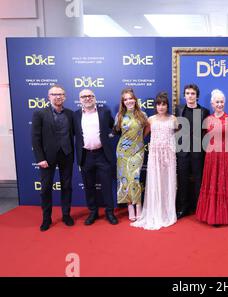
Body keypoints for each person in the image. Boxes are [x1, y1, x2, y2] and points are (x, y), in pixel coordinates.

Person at [196, 89, 228, 226]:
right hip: (211, 157)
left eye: (222, 101)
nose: (220, 104)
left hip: (226, 156)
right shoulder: (208, 120)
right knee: (212, 184)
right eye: (217, 102)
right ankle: (212, 216)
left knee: (225, 185)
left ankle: (224, 216)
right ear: (212, 103)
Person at [31, 84, 74, 231]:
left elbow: (75, 134)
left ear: (65, 97)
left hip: (67, 155)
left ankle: (66, 215)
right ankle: (46, 218)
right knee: (45, 189)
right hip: (47, 158)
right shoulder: (40, 113)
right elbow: (35, 138)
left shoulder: (70, 113)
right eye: (54, 94)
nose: (58, 97)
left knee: (67, 187)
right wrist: (40, 158)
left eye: (60, 94)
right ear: (49, 97)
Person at [132, 91, 178, 230]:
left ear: (167, 106)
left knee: (168, 182)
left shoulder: (173, 119)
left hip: (169, 155)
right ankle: (155, 211)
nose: (161, 107)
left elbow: (176, 134)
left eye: (164, 104)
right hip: (155, 155)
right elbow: (143, 135)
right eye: (159, 104)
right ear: (156, 106)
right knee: (155, 182)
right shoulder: (151, 119)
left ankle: (167, 212)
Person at [73, 89, 118, 225]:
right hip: (85, 155)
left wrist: (111, 135)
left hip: (103, 155)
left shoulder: (104, 112)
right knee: (88, 186)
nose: (87, 98)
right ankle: (93, 212)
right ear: (80, 99)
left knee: (106, 185)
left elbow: (113, 127)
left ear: (94, 98)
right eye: (84, 96)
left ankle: (109, 212)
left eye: (90, 96)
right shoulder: (75, 115)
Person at [175, 84, 210, 219]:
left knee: (198, 180)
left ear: (197, 96)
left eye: (193, 93)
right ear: (184, 96)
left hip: (198, 152)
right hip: (182, 151)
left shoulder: (204, 111)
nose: (190, 96)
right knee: (182, 180)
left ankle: (198, 208)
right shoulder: (179, 110)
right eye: (188, 93)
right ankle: (183, 208)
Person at [114, 88, 149, 222]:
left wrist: (138, 141)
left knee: (135, 178)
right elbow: (118, 132)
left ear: (135, 99)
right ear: (123, 102)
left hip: (138, 151)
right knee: (125, 179)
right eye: (126, 99)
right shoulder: (119, 116)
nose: (129, 101)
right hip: (123, 152)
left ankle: (138, 206)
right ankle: (129, 207)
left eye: (131, 98)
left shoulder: (142, 114)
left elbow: (147, 129)